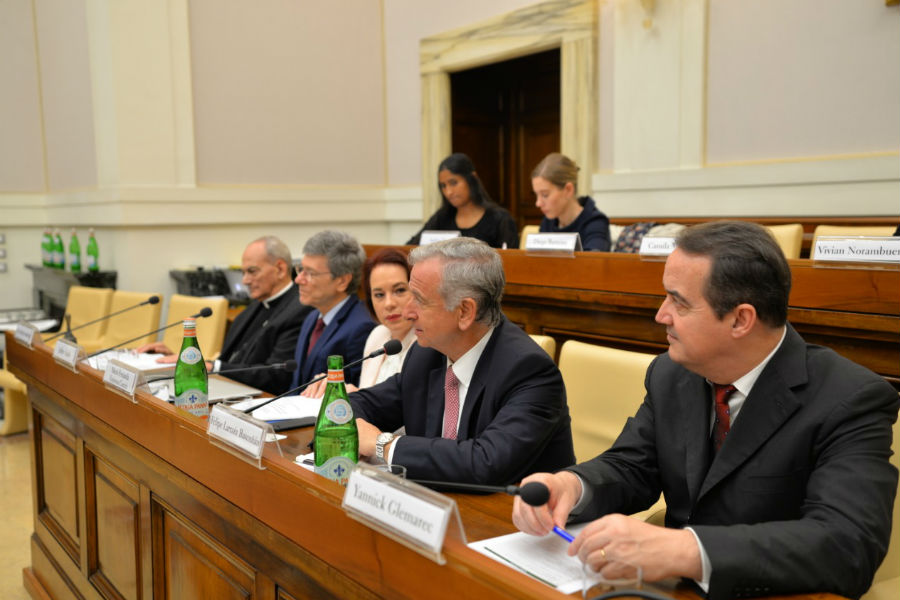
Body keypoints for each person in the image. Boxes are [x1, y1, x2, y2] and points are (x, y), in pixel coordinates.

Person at [512, 221, 898, 600]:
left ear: (740, 319)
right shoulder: (671, 373)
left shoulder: (850, 399)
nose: (660, 315)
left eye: (678, 302)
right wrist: (572, 486)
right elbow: (633, 466)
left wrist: (687, 551)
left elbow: (848, 545)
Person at [350, 237, 575, 485]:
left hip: (512, 517)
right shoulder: (426, 354)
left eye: (420, 300)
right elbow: (361, 404)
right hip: (435, 508)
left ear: (465, 312)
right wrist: (346, 421)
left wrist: (383, 445)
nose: (407, 312)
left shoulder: (529, 372)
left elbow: (485, 463)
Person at [137, 236, 310, 395]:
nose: (245, 281)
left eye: (252, 271)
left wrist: (214, 366)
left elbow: (276, 376)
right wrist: (183, 360)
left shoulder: (299, 310)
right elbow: (228, 361)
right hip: (227, 390)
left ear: (280, 269)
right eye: (243, 273)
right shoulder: (250, 310)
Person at [303, 247, 416, 397]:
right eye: (379, 294)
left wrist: (356, 396)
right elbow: (367, 396)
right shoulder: (378, 335)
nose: (389, 303)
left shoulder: (426, 343)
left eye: (400, 290)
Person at [290, 230, 375, 389]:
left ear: (342, 281)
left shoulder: (361, 327)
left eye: (310, 273)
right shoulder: (312, 318)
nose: (298, 279)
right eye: (300, 269)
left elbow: (357, 394)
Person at [407, 153, 519, 249]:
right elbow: (410, 248)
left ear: (472, 179)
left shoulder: (500, 219)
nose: (448, 192)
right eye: (443, 186)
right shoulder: (442, 218)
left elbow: (512, 262)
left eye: (453, 183)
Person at [532, 152, 611, 251]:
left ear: (568, 189)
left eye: (545, 195)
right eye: (536, 195)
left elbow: (593, 264)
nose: (538, 203)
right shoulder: (548, 223)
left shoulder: (596, 223)